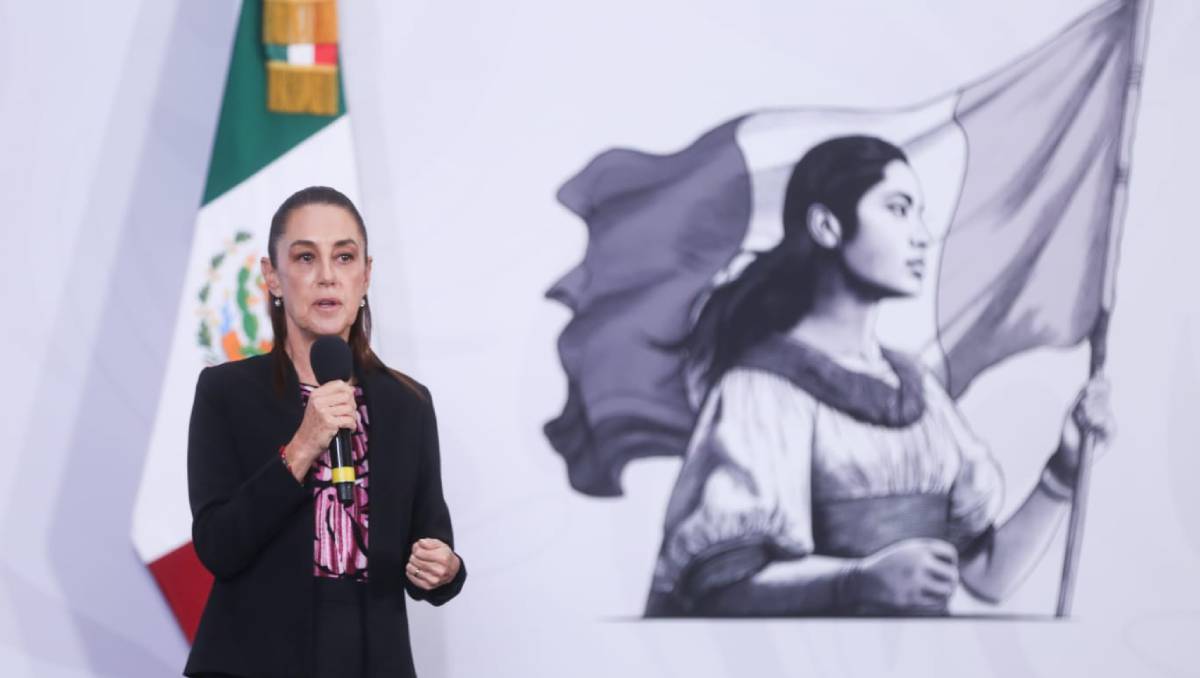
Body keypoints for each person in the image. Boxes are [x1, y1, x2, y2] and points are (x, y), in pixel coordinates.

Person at [645, 136, 1113, 617]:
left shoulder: (920, 392)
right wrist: (856, 582)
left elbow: (987, 577)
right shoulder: (760, 391)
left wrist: (1064, 470)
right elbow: (720, 593)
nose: (920, 234)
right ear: (827, 226)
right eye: (898, 208)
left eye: (918, 212)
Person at [184, 186, 465, 677]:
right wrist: (300, 448)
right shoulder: (225, 391)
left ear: (366, 275)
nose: (328, 276)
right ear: (272, 277)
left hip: (372, 658)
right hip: (255, 659)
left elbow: (430, 544)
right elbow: (218, 548)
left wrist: (444, 568)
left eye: (344, 256)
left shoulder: (408, 404)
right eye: (306, 257)